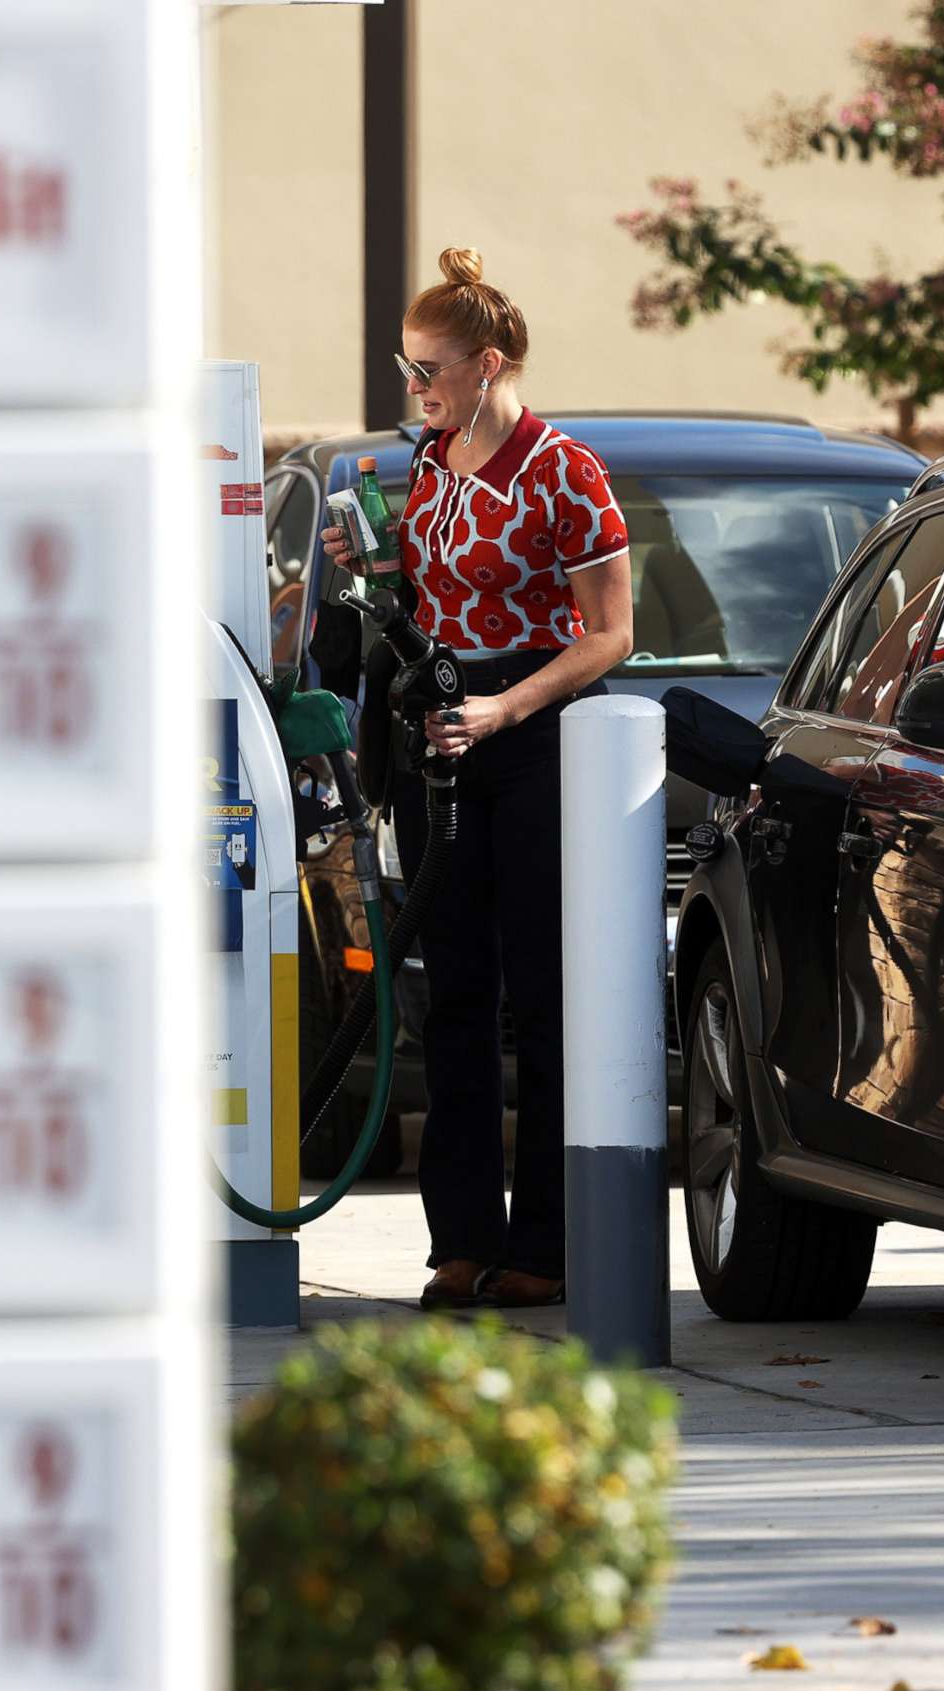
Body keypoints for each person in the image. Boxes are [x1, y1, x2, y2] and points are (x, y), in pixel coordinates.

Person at [321, 246, 633, 1310]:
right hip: (441, 737)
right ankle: (460, 1238)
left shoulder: (564, 472)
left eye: (430, 369)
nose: (415, 388)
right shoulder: (432, 461)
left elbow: (611, 635)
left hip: (535, 733)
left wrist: (509, 706)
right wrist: (370, 570)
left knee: (544, 992)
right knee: (452, 987)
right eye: (408, 368)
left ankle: (544, 1243)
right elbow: (427, 597)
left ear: (488, 361)